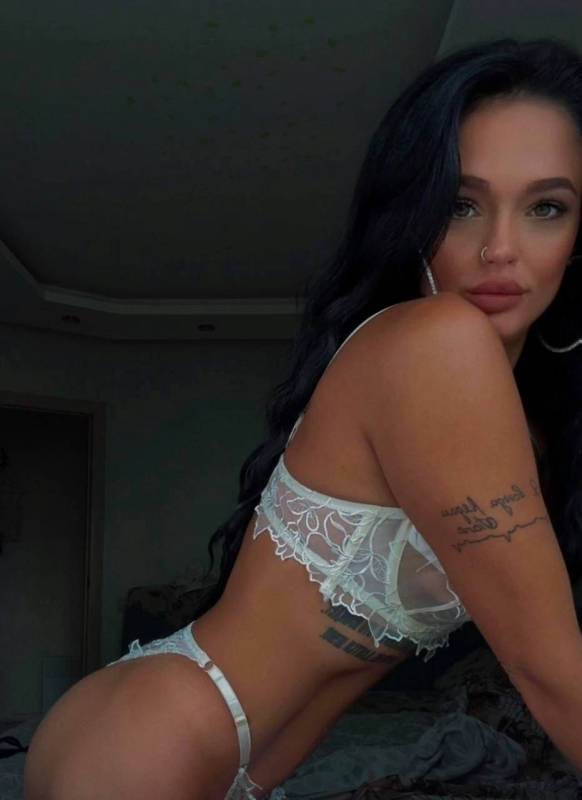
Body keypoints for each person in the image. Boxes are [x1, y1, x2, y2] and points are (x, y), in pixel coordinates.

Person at [24, 35, 582, 800]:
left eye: (547, 207)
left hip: (238, 767)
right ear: (414, 215)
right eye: (461, 205)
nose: (501, 248)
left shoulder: (522, 413)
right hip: (150, 740)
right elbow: (554, 673)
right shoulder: (435, 344)